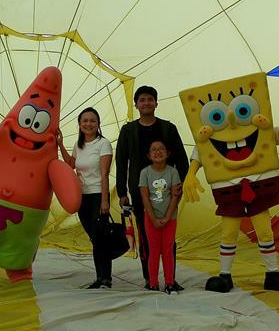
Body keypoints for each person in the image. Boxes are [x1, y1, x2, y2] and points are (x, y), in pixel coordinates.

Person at [115, 85, 189, 287]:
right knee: (147, 236)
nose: (146, 103)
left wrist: (182, 184)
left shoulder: (168, 128)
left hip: (167, 192)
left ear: (156, 103)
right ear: (136, 104)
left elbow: (182, 160)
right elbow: (121, 161)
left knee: (168, 236)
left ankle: (170, 279)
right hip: (140, 193)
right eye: (142, 100)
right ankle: (150, 278)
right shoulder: (128, 130)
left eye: (150, 99)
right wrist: (122, 192)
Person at [58, 107, 114, 288]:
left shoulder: (103, 144)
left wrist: (105, 200)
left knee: (100, 238)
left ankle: (104, 278)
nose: (88, 124)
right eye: (85, 121)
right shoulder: (78, 145)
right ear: (80, 124)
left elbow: (105, 174)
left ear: (98, 124)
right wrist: (60, 144)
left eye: (92, 121)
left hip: (98, 195)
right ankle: (101, 276)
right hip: (82, 198)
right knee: (94, 238)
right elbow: (71, 165)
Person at [138, 140, 182, 294]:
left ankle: (170, 282)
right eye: (154, 150)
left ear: (167, 153)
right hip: (151, 219)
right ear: (149, 155)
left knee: (168, 250)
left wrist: (167, 218)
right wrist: (154, 219)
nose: (158, 152)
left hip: (171, 218)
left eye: (161, 149)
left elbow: (175, 197)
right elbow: (145, 198)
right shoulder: (145, 173)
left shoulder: (173, 172)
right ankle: (153, 283)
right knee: (154, 251)